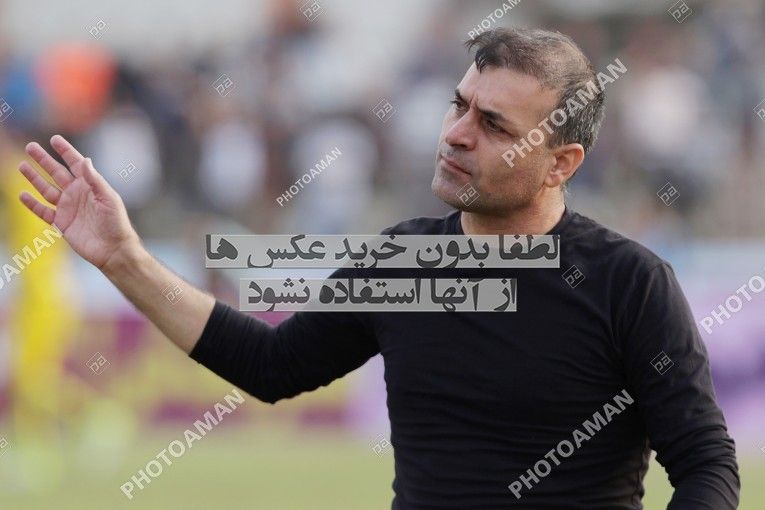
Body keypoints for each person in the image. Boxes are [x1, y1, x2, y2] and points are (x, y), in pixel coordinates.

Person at [16, 28, 739, 509]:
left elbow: (705, 464)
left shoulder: (628, 282)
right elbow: (271, 365)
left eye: (493, 126)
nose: (456, 135)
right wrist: (124, 258)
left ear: (561, 163)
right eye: (460, 107)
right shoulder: (404, 261)